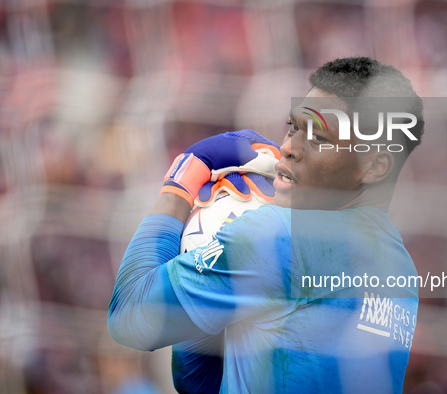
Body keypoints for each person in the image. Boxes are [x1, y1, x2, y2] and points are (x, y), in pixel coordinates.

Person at [108, 57, 424, 393]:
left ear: (373, 167)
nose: (287, 148)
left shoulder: (281, 235)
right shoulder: (401, 269)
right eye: (293, 127)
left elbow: (130, 318)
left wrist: (180, 184)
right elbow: (199, 384)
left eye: (318, 138)